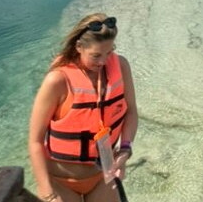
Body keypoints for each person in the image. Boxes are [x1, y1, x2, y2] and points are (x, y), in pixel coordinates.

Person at [29, 13, 138, 202]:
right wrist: (47, 191)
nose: (103, 61)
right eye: (95, 55)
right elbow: (35, 141)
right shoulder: (58, 81)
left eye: (109, 52)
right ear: (79, 47)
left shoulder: (121, 66)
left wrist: (125, 150)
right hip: (59, 182)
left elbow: (131, 112)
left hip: (103, 177)